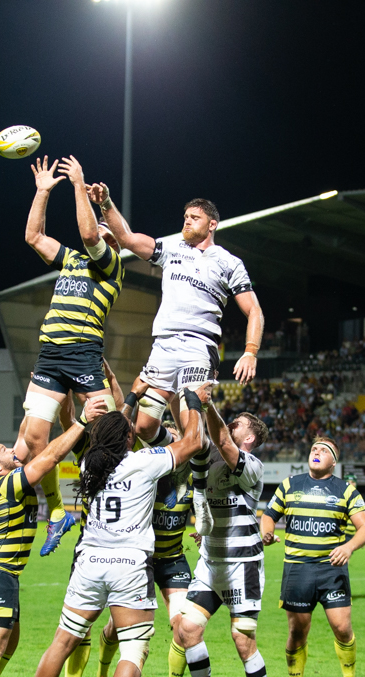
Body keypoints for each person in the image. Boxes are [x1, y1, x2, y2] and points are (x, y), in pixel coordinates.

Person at [15, 385, 209, 677]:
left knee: (63, 640)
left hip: (89, 562)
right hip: (129, 564)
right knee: (134, 647)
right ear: (128, 438)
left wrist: (81, 400)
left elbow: (93, 429)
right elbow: (193, 442)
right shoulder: (143, 462)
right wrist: (194, 401)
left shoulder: (91, 464)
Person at [90, 185, 264, 531]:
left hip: (198, 346)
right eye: (185, 216)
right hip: (163, 346)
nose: (187, 221)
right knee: (143, 427)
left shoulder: (229, 263)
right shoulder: (171, 247)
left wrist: (250, 351)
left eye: (195, 217)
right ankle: (178, 468)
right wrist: (106, 203)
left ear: (212, 224)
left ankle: (198, 493)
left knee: (193, 430)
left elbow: (254, 311)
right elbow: (125, 238)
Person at [0, 396, 110, 677]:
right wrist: (81, 423)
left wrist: (38, 401)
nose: (11, 450)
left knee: (10, 642)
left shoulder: (0, 479)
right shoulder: (6, 483)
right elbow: (48, 457)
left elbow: (28, 435)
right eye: (4, 451)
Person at [20, 155, 124, 557]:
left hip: (84, 357)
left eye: (102, 231)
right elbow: (33, 236)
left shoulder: (112, 266)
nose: (97, 232)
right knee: (33, 438)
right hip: (50, 356)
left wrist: (79, 184)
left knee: (112, 434)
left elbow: (87, 233)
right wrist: (43, 193)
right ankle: (59, 511)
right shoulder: (71, 260)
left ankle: (114, 508)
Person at [172, 404, 274, 677]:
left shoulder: (251, 465)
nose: (229, 425)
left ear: (250, 436)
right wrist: (181, 393)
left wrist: (206, 404)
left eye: (237, 424)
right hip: (210, 563)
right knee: (187, 630)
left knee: (242, 639)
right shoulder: (211, 454)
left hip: (241, 565)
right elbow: (184, 424)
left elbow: (225, 444)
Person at [261, 437, 365, 677]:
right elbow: (268, 516)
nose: (317, 452)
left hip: (331, 570)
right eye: (314, 449)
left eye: (324, 450)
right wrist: (267, 530)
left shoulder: (345, 490)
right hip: (297, 570)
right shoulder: (289, 485)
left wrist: (348, 547)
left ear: (334, 461)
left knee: (343, 628)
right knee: (297, 631)